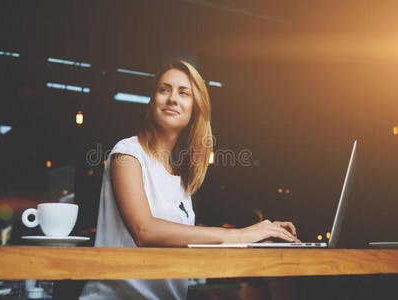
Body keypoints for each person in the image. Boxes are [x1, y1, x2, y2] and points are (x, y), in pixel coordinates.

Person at [79, 60, 299, 300]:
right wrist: (239, 235)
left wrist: (257, 240)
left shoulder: (180, 175)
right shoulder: (127, 152)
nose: (172, 98)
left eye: (184, 93)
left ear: (195, 108)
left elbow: (180, 242)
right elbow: (145, 231)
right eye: (164, 89)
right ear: (153, 101)